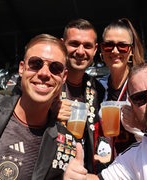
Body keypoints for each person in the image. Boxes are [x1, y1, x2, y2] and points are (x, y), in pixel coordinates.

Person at [0, 34, 76, 179]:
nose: (44, 73)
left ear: (64, 77)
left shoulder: (66, 147)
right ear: (22, 68)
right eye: (36, 64)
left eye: (55, 68)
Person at [52, 18, 106, 173]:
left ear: (95, 50)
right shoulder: (46, 82)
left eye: (87, 46)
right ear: (62, 44)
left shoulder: (98, 90)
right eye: (74, 44)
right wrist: (47, 115)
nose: (81, 51)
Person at [98, 18, 145, 156]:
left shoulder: (142, 85)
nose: (114, 51)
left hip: (140, 163)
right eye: (108, 45)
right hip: (108, 166)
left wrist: (139, 125)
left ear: (130, 50)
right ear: (101, 49)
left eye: (122, 46)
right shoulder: (97, 88)